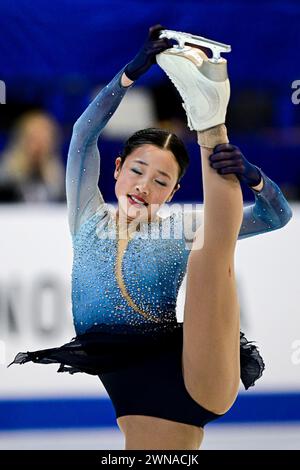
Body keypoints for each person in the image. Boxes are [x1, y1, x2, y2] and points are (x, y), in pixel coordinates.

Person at [8, 25, 292, 450]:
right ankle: (209, 111)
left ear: (174, 192)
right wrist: (128, 74)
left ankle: (210, 124)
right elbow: (83, 136)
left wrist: (254, 178)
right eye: (138, 171)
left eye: (161, 181)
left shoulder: (177, 227)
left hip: (195, 371)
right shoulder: (87, 215)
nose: (144, 186)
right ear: (117, 167)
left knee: (208, 245)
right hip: (160, 391)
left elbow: (276, 215)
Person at [0, 111, 65, 202]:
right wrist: (24, 168)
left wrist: (46, 171)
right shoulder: (8, 166)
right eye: (33, 139)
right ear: (22, 140)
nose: (39, 146)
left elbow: (60, 200)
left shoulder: (55, 169)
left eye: (44, 141)